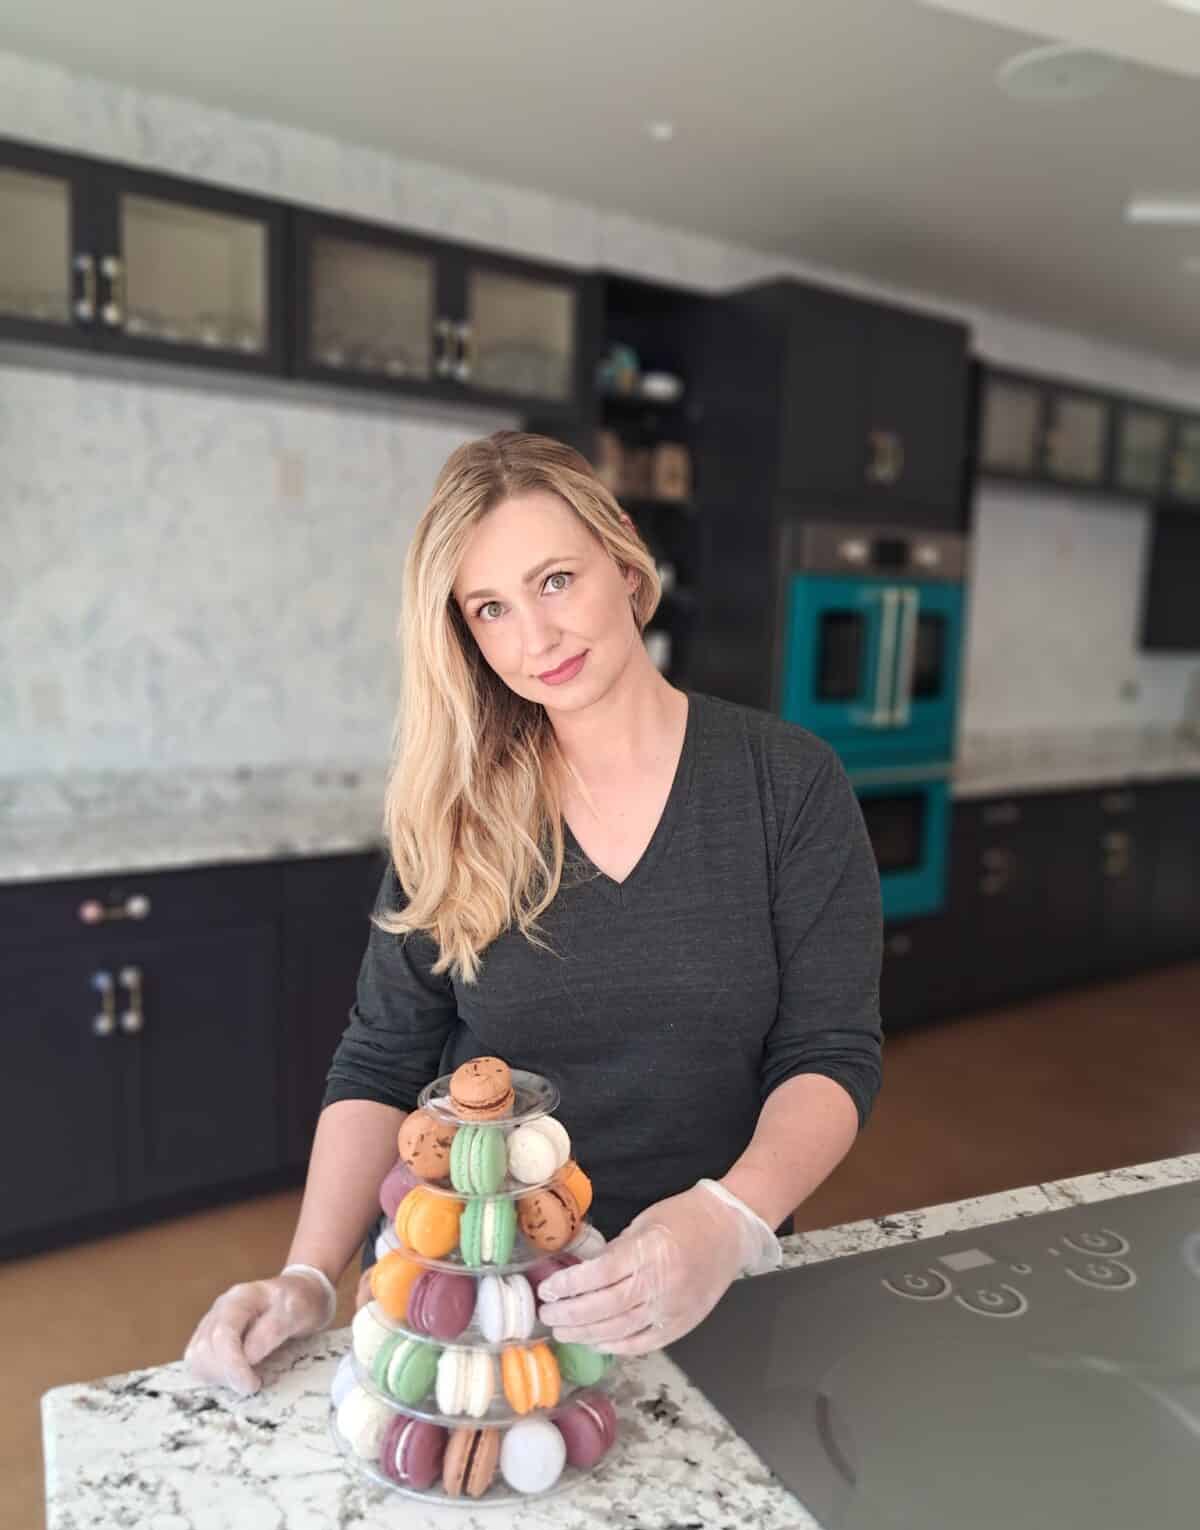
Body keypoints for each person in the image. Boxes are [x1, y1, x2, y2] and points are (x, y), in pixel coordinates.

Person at [184, 429, 882, 1397]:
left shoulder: (786, 783)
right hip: (477, 1304)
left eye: (555, 580)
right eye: (491, 608)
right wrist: (306, 1276)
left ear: (624, 559)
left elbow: (829, 1052)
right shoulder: (457, 811)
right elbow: (381, 1059)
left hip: (713, 1287)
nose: (535, 639)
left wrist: (730, 1218)